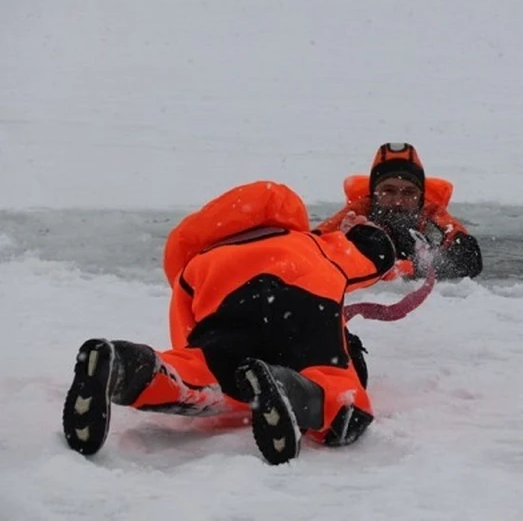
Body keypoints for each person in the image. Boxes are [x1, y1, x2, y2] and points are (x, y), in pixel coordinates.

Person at [62, 180, 402, 465]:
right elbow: (374, 256)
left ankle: (124, 366)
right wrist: (364, 232)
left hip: (227, 319)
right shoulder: (311, 244)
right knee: (339, 391)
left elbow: (186, 331)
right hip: (304, 309)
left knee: (198, 371)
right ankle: (292, 390)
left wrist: (205, 359)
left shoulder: (199, 264)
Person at [316, 142, 482, 280]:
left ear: (421, 197)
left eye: (409, 193)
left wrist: (414, 267)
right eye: (388, 191)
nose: (397, 201)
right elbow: (310, 248)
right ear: (373, 193)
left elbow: (470, 258)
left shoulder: (431, 213)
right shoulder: (356, 213)